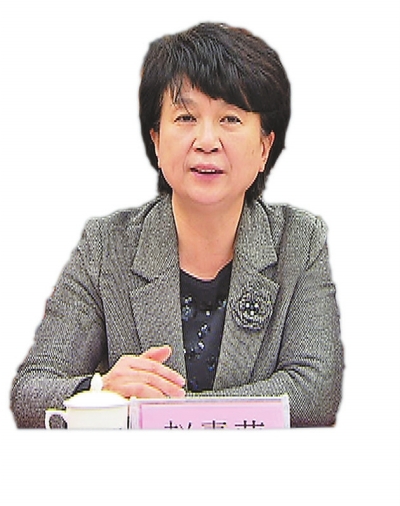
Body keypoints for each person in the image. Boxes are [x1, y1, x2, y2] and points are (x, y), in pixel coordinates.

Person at [10, 22, 344, 428]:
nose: (207, 140)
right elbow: (32, 390)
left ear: (264, 147)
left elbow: (314, 392)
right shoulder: (106, 247)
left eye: (230, 118)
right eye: (186, 117)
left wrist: (161, 416)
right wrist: (99, 389)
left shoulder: (300, 240)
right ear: (156, 140)